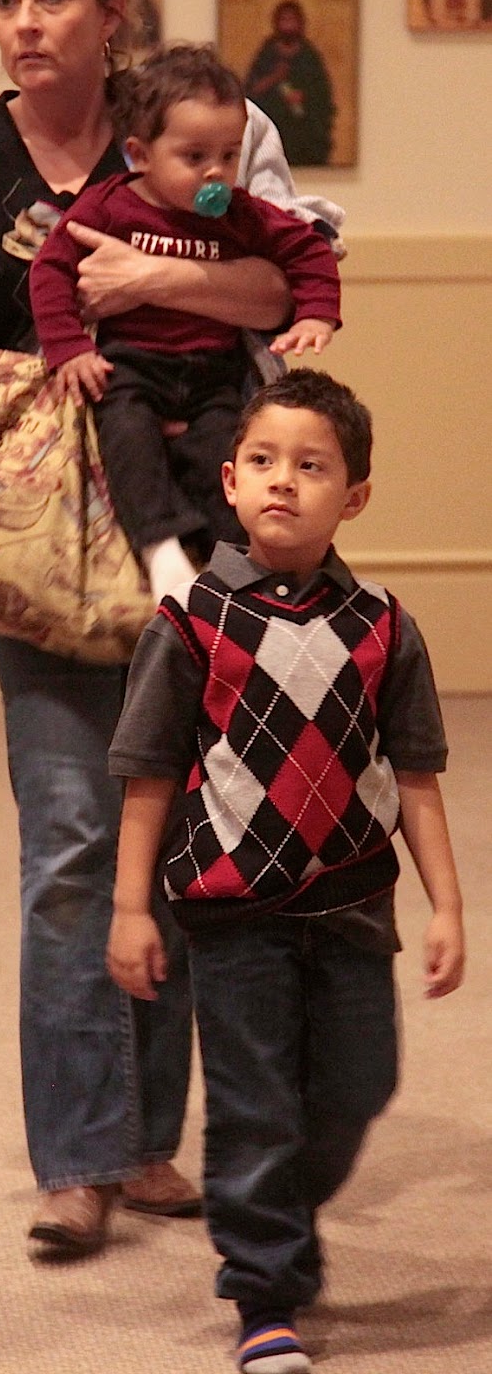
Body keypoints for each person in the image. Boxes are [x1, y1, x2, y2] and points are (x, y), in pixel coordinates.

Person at [0, 0, 344, 1257]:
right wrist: (39, 397)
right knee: (71, 841)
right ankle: (79, 1158)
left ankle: (151, 1140)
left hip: (205, 523)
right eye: (5, 0)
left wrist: (147, 276)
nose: (24, 24)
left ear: (111, 14)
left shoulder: (202, 125)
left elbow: (288, 288)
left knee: (192, 830)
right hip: (51, 536)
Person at [106, 370, 465, 1373]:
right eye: (261, 461)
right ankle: (263, 1289)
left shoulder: (383, 624)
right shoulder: (189, 621)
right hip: (233, 912)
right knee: (254, 1103)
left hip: (352, 904)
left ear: (353, 497)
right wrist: (130, 907)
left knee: (358, 1085)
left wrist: (447, 906)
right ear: (228, 481)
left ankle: (271, 1210)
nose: (282, 482)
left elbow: (417, 775)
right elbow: (146, 774)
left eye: (311, 467)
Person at [30, 43, 340, 603]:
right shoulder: (109, 206)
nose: (215, 172)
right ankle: (160, 549)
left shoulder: (241, 213)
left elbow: (306, 249)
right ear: (140, 155)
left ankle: (235, 567)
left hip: (214, 372)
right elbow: (50, 268)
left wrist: (318, 312)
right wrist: (69, 347)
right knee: (128, 440)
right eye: (194, 157)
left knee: (227, 457)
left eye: (228, 154)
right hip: (131, 366)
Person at [244, 0, 335, 167]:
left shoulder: (309, 56)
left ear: (301, 23)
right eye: (284, 20)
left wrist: (304, 98)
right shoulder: (267, 53)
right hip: (272, 129)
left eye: (292, 20)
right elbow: (251, 92)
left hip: (304, 133)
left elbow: (323, 95)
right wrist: (274, 77)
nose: (288, 25)